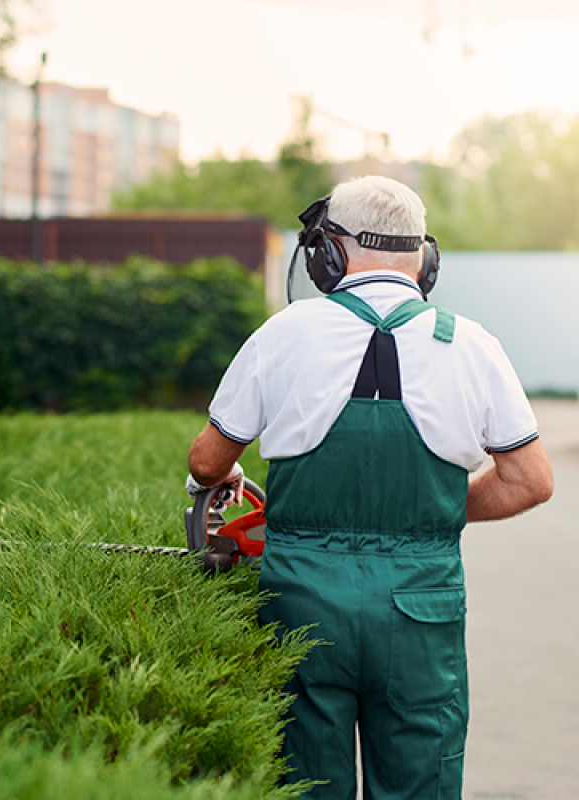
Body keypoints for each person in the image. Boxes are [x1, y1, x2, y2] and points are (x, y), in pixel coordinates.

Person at [186, 175, 553, 800]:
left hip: (301, 603)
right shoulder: (472, 345)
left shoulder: (284, 333)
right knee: (420, 780)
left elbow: (206, 461)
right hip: (421, 606)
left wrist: (227, 480)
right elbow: (531, 482)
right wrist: (428, 510)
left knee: (303, 780)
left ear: (328, 253)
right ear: (424, 259)